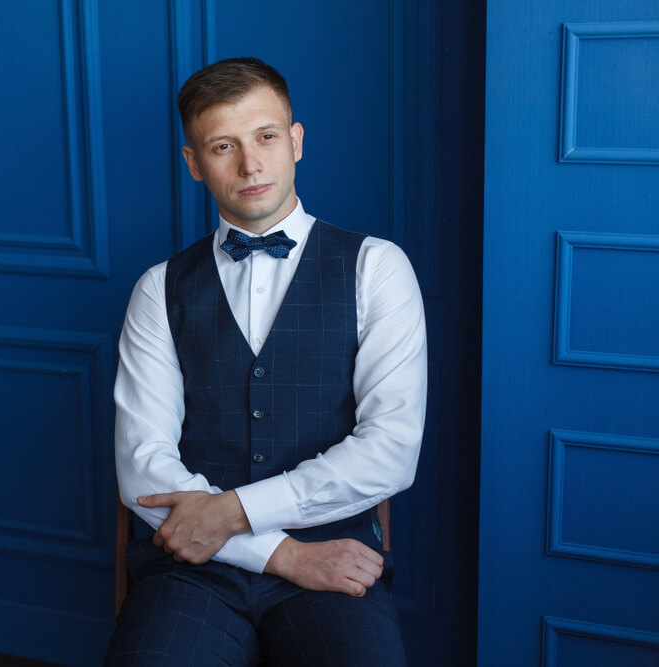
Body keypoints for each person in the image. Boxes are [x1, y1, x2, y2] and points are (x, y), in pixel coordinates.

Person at [106, 57, 426, 666]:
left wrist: (234, 512)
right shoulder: (159, 287)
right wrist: (283, 555)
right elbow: (143, 469)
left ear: (296, 141)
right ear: (194, 164)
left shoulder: (377, 268)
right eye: (223, 146)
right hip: (192, 567)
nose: (250, 165)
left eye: (266, 137)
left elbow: (390, 449)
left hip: (337, 557)